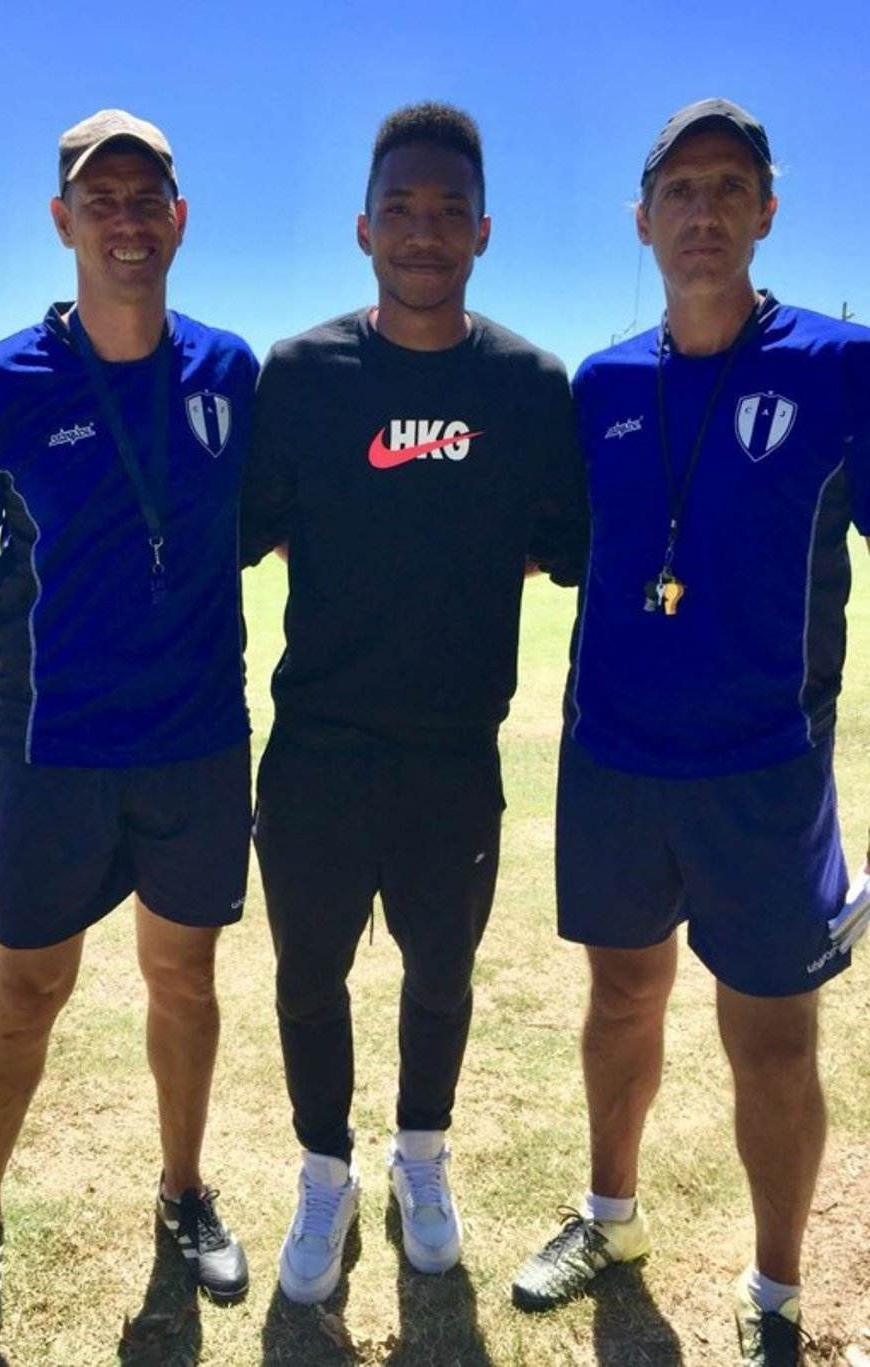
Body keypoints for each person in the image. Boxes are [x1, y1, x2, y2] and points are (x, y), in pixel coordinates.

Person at [510, 98, 870, 1366]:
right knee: (621, 996)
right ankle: (610, 1218)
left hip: (764, 774)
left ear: (767, 210)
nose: (704, 210)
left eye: (730, 186)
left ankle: (774, 1292)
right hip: (611, 760)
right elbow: (538, 542)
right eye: (680, 189)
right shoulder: (602, 384)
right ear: (642, 219)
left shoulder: (840, 367)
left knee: (771, 1036)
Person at [0, 109, 256, 1356]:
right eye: (98, 198)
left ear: (179, 217)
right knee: (24, 997)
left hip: (198, 745)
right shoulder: (2, 383)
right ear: (63, 221)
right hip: (53, 746)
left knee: (186, 977)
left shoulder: (231, 372)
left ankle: (181, 1189)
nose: (124, 216)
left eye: (145, 195)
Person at [240, 102, 587, 1304]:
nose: (423, 231)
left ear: (483, 232)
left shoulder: (532, 387)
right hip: (317, 755)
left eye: (448, 211)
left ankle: (421, 1157)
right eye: (401, 208)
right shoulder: (299, 375)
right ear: (362, 227)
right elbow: (250, 529)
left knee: (442, 974)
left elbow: (563, 544)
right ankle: (325, 1168)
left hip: (453, 759)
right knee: (307, 979)